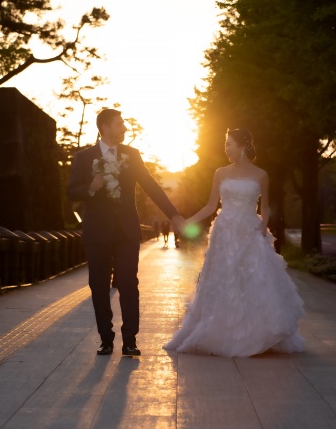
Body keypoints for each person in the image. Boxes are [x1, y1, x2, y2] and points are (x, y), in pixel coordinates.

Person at [165, 129, 304, 357]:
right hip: (225, 231)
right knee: (224, 278)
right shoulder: (220, 173)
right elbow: (211, 206)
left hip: (250, 229)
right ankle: (223, 331)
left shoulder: (261, 175)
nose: (226, 148)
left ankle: (257, 333)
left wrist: (263, 225)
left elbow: (266, 206)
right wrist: (186, 222)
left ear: (242, 146)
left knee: (253, 277)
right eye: (225, 144)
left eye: (229, 144)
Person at [68, 108, 184, 356]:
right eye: (119, 124)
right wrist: (91, 186)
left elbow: (151, 185)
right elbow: (71, 191)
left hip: (126, 231)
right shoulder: (84, 157)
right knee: (98, 286)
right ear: (105, 127)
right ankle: (105, 339)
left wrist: (173, 214)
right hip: (96, 231)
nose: (124, 128)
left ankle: (130, 339)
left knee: (129, 283)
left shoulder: (132, 155)